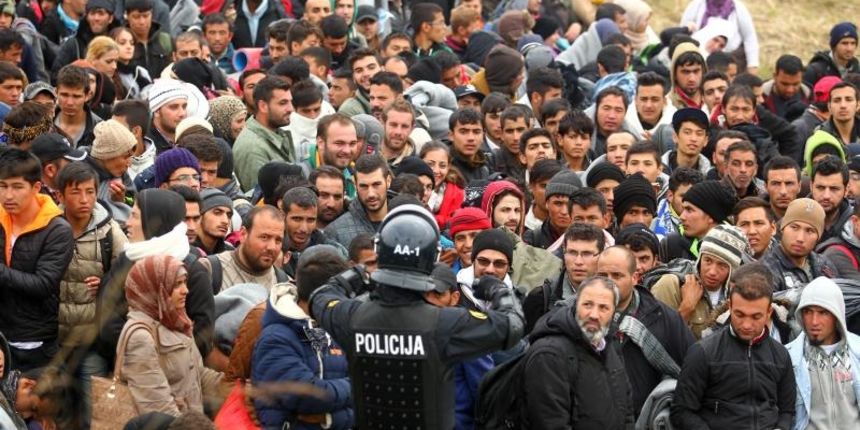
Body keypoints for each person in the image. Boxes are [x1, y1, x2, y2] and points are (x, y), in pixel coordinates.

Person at [309, 204, 524, 429]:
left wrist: (358, 274)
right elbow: (513, 325)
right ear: (433, 258)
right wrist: (497, 290)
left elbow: (319, 298)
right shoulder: (446, 324)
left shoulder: (351, 317)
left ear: (380, 251)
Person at [671, 262, 796, 430]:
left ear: (769, 313)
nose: (746, 324)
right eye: (740, 314)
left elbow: (787, 410)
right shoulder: (703, 353)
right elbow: (681, 411)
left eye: (756, 317)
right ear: (730, 307)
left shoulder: (781, 355)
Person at [97, 189, 214, 366]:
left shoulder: (193, 271)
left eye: (135, 216)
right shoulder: (127, 260)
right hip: (128, 366)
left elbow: (203, 337)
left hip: (177, 374)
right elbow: (106, 320)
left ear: (154, 222)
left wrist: (162, 355)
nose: (128, 223)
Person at [55, 161, 127, 426]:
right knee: (57, 415)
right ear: (60, 195)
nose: (84, 200)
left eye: (90, 191)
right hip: (54, 339)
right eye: (76, 192)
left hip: (92, 341)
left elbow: (128, 272)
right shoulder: (49, 227)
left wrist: (106, 282)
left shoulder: (109, 230)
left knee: (93, 416)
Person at [251, 248, 354, 429]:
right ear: (325, 295)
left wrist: (330, 419)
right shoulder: (275, 338)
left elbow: (373, 407)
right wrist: (360, 387)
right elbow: (311, 396)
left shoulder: (340, 328)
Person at [523, 276, 634, 429]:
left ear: (613, 312)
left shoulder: (610, 347)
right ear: (576, 304)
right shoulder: (549, 355)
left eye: (603, 308)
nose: (594, 315)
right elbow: (550, 423)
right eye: (588, 305)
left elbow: (626, 412)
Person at [118, 254, 221, 416]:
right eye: (176, 284)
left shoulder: (177, 321)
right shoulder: (140, 336)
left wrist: (234, 387)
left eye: (185, 282)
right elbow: (156, 407)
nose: (186, 290)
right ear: (154, 288)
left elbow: (196, 374)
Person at [0, 149, 74, 371]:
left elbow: (43, 284)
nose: (8, 195)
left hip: (35, 342)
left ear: (36, 187)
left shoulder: (56, 230)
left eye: (17, 187)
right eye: (2, 186)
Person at [786, 276, 860, 430]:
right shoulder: (789, 358)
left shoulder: (857, 351)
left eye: (823, 312)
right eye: (808, 312)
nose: (814, 321)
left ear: (836, 315)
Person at [652, 225, 750, 338]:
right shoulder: (671, 284)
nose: (712, 271)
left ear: (732, 269)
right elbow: (657, 341)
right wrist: (686, 308)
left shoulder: (737, 293)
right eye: (708, 261)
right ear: (700, 258)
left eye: (722, 265)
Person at [524, 223, 604, 333]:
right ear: (563, 251)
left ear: (601, 255)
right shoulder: (541, 298)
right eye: (572, 253)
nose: (578, 261)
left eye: (587, 254)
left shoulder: (613, 296)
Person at [761, 198, 839, 291]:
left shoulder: (824, 265)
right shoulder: (765, 270)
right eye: (794, 227)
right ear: (783, 228)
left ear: (818, 237)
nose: (800, 238)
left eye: (810, 231)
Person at [233, 76, 295, 191]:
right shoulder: (252, 147)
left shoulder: (277, 133)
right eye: (283, 103)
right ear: (263, 106)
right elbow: (261, 200)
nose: (290, 109)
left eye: (290, 102)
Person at [661, 179, 737, 262]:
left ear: (711, 216)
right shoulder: (671, 244)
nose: (682, 217)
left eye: (689, 210)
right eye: (684, 209)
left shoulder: (736, 249)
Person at [325, 154, 391, 248]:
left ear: (388, 181)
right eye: (364, 186)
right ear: (355, 185)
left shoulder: (407, 222)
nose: (370, 194)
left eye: (376, 184)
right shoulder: (336, 232)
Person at [680, 0, 760, 73]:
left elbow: (750, 38)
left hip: (730, 60)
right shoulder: (697, 4)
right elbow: (682, 31)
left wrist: (752, 67)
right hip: (697, 55)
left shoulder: (738, 8)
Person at [524, 171, 581, 249]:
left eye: (570, 205)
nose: (564, 211)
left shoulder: (590, 237)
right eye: (558, 203)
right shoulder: (533, 239)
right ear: (547, 203)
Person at [420, 141, 465, 228]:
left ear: (448, 167)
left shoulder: (458, 193)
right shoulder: (410, 188)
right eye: (430, 164)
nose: (436, 170)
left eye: (442, 166)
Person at [55, 64, 101, 148]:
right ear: (56, 92)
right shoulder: (41, 123)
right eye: (64, 95)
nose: (69, 102)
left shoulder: (99, 130)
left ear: (88, 96)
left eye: (76, 96)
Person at [810, 156, 853, 243]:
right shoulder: (791, 221)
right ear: (811, 186)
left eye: (834, 189)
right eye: (820, 188)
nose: (826, 196)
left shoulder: (855, 225)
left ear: (846, 190)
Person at [652, 167, 703, 240]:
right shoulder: (652, 223)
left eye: (695, 197)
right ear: (670, 195)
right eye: (684, 197)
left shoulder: (708, 223)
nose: (690, 202)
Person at [804, 22, 860, 87]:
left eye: (853, 43)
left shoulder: (856, 70)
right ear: (834, 46)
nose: (849, 49)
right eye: (844, 43)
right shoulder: (815, 71)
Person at [125, 0, 173, 77]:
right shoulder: (121, 42)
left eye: (146, 16)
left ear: (152, 14)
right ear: (127, 16)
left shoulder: (165, 40)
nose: (142, 22)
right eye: (136, 17)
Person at [662, 108, 711, 175]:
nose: (693, 139)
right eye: (687, 132)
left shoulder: (709, 176)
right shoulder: (658, 173)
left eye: (699, 133)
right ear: (675, 137)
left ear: (706, 140)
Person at [194, 188, 234, 255]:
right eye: (217, 213)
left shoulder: (230, 254)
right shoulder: (183, 251)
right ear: (199, 216)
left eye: (229, 215)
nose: (225, 221)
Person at [763, 155, 801, 220]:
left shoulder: (812, 217)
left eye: (789, 183)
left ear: (799, 186)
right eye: (775, 184)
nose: (783, 191)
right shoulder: (753, 217)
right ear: (766, 187)